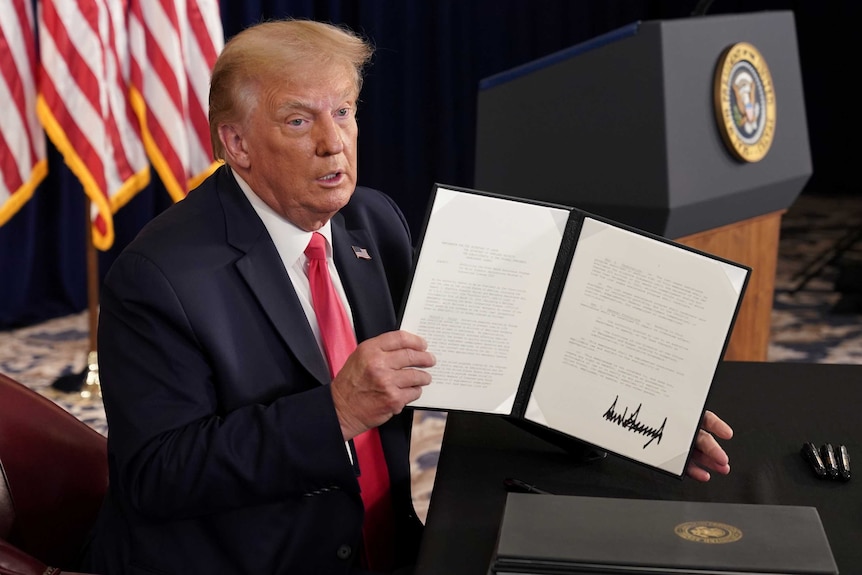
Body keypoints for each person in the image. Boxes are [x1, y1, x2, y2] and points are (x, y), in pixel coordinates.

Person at [83, 18, 733, 575]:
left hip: (388, 545)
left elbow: (486, 360)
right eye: (299, 119)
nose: (333, 142)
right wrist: (332, 412)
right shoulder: (159, 277)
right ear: (237, 143)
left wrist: (635, 412)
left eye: (344, 111)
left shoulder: (373, 222)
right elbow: (155, 477)